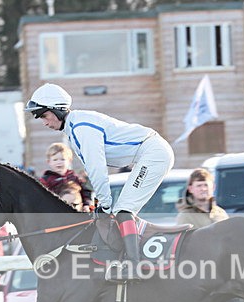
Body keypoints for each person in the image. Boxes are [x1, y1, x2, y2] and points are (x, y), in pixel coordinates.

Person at [25, 83, 175, 282]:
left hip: (153, 153)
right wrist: (102, 204)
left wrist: (104, 204)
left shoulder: (81, 127)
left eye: (43, 115)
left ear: (57, 110)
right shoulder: (74, 127)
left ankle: (134, 265)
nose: (43, 122)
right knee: (121, 210)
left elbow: (97, 170)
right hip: (148, 152)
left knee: (123, 211)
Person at [176, 168, 244, 302]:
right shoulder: (185, 216)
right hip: (203, 279)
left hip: (228, 277)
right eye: (199, 186)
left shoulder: (220, 213)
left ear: (213, 187)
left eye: (206, 185)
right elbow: (184, 247)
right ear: (191, 188)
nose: (203, 189)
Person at [40, 142, 92, 209]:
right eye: (55, 160)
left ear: (69, 161)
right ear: (49, 162)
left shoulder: (75, 177)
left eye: (62, 159)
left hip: (77, 209)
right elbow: (43, 196)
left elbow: (86, 192)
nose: (59, 162)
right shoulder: (46, 179)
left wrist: (87, 204)